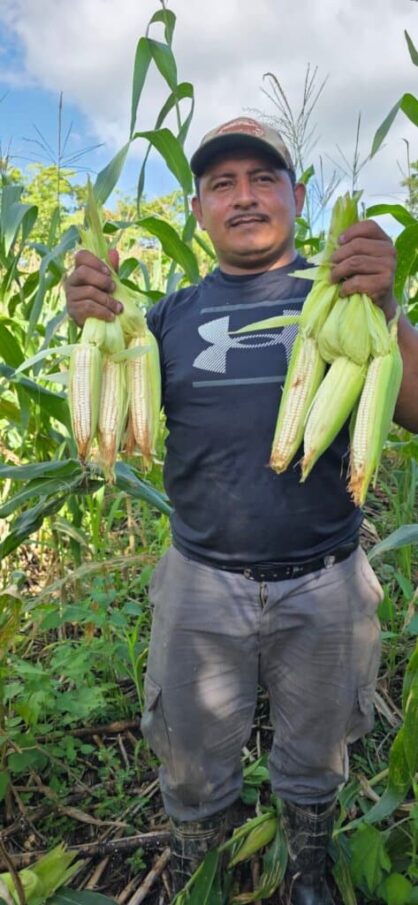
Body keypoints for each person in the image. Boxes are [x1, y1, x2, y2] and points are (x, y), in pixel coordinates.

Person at [66, 116, 418, 905]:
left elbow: (417, 406)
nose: (245, 197)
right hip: (200, 584)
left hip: (326, 583)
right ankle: (200, 877)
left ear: (298, 197)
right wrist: (87, 321)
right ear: (197, 211)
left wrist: (389, 305)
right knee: (191, 761)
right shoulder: (165, 317)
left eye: (263, 180)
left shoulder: (345, 302)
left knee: (316, 756)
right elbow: (111, 393)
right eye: (221, 184)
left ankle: (308, 870)